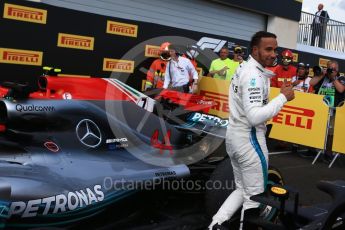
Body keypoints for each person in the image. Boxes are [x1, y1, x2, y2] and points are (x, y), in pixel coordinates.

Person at [209, 31, 295, 230]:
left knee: (242, 189)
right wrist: (283, 97)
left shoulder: (246, 68)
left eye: (275, 49)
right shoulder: (253, 75)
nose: (274, 54)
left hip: (235, 137)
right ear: (255, 50)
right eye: (268, 49)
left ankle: (215, 224)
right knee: (254, 197)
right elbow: (255, 117)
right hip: (249, 140)